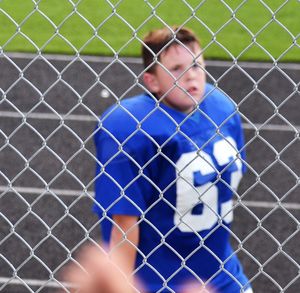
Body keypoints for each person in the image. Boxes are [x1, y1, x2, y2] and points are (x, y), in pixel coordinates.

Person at [92, 26, 252, 293]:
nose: (191, 76)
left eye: (197, 65)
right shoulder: (131, 127)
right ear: (152, 81)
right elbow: (124, 222)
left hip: (222, 275)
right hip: (157, 282)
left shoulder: (221, 107)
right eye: (176, 68)